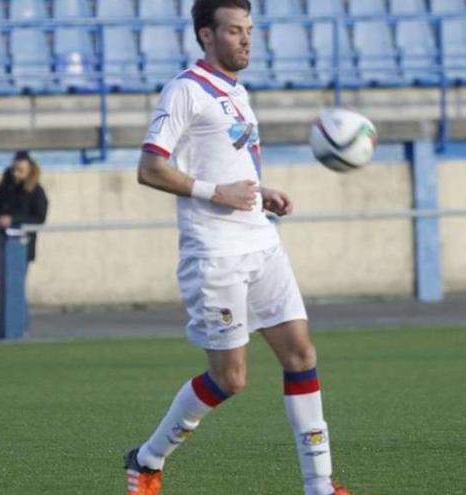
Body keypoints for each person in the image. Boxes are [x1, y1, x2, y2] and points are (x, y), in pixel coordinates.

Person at [124, 2, 355, 495]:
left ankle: (319, 484)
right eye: (234, 30)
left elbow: (225, 162)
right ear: (206, 35)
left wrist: (258, 190)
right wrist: (217, 193)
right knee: (230, 379)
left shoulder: (237, 91)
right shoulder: (186, 89)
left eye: (249, 29)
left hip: (261, 241)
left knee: (301, 354)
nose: (247, 39)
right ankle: (147, 460)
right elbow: (150, 167)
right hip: (215, 253)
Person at [0, 150, 48, 275]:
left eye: (21, 170)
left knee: (16, 283)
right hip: (0, 244)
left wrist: (13, 220)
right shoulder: (4, 188)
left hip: (22, 244)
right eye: (15, 169)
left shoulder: (36, 191)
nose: (16, 173)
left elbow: (39, 217)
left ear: (29, 170)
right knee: (3, 283)